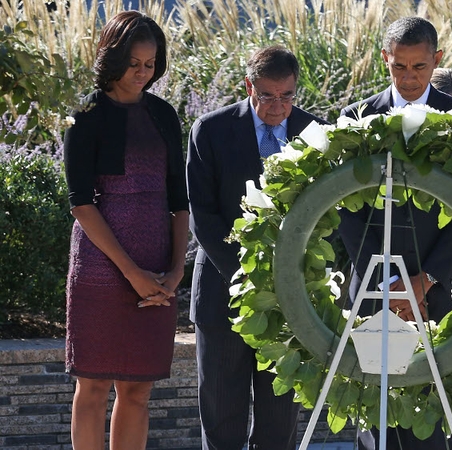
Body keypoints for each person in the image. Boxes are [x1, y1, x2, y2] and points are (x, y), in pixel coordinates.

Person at [339, 16, 452, 450]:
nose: (408, 77)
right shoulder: (356, 117)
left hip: (439, 290)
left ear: (436, 59)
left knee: (434, 414)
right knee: (378, 413)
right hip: (376, 289)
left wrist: (424, 280)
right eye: (398, 66)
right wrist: (386, 285)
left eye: (419, 67)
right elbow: (346, 211)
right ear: (385, 58)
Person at [186, 45, 329, 450]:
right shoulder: (210, 130)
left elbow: (330, 215)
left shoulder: (316, 132)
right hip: (223, 294)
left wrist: (294, 275)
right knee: (222, 420)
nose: (278, 106)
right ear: (248, 86)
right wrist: (251, 274)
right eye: (267, 96)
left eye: (287, 96)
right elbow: (203, 217)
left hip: (293, 302)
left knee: (278, 424)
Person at [63, 11, 189, 450]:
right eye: (134, 63)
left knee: (137, 390)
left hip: (156, 267)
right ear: (112, 58)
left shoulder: (163, 115)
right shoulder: (86, 114)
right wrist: (132, 273)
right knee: (93, 387)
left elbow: (179, 201)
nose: (143, 73)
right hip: (101, 269)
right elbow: (81, 203)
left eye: (151, 64)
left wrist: (175, 272)